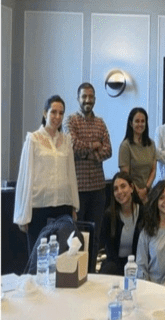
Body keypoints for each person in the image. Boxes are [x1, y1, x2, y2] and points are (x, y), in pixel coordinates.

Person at [14, 95, 79, 253]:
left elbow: (71, 175)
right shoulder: (33, 139)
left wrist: (74, 206)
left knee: (62, 257)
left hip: (63, 207)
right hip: (39, 208)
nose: (57, 117)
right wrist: (23, 215)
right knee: (39, 259)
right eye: (53, 112)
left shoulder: (66, 140)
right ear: (45, 113)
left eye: (61, 113)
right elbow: (25, 177)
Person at [64, 82, 112, 266]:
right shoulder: (71, 121)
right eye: (84, 96)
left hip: (98, 189)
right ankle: (76, 271)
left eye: (91, 97)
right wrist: (93, 146)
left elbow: (108, 150)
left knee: (95, 236)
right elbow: (72, 145)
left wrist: (84, 154)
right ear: (78, 98)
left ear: (95, 99)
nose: (88, 100)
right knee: (75, 236)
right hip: (77, 189)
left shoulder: (100, 123)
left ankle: (91, 272)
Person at [99, 172, 144, 275]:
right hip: (115, 264)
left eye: (123, 186)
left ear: (132, 188)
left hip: (137, 264)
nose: (119, 192)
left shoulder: (143, 213)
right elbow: (109, 250)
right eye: (115, 189)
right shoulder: (109, 215)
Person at [119, 107, 157, 203]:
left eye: (143, 121)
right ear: (131, 123)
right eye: (137, 121)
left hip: (148, 194)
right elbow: (125, 175)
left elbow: (153, 170)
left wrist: (146, 189)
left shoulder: (151, 144)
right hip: (130, 194)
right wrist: (138, 192)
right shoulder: (125, 146)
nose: (140, 124)